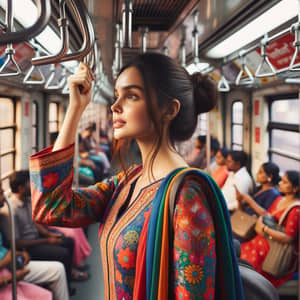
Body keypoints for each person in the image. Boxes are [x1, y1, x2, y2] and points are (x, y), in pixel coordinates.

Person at [29, 53, 244, 299]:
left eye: (131, 96)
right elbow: (51, 206)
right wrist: (75, 108)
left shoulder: (187, 197)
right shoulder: (128, 181)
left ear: (169, 110)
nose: (115, 106)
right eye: (117, 95)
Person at [0, 184, 69, 300]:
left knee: (58, 269)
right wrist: (9, 276)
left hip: (11, 264)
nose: (4, 196)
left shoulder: (27, 202)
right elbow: (14, 244)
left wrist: (18, 254)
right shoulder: (10, 211)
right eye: (1, 193)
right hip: (6, 272)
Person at [240, 170, 300, 287]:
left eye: (285, 182)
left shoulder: (296, 210)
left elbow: (288, 238)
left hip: (276, 248)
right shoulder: (279, 200)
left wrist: (264, 230)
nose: (280, 183)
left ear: (295, 188)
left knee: (247, 264)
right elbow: (267, 216)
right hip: (263, 240)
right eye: (282, 180)